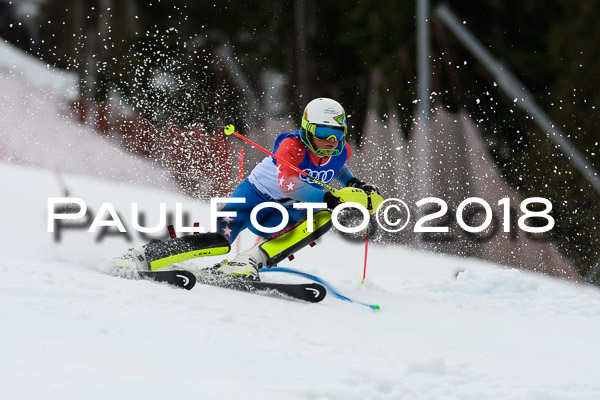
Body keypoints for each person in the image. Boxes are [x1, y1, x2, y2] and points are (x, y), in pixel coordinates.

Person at [216, 97, 382, 281]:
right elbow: (288, 185)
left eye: (338, 133)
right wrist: (331, 199)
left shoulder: (342, 150)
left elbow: (337, 166)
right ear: (308, 130)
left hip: (282, 211)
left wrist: (354, 183)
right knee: (219, 242)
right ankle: (180, 250)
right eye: (323, 132)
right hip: (252, 198)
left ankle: (248, 260)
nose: (332, 140)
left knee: (320, 219)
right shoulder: (292, 146)